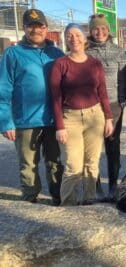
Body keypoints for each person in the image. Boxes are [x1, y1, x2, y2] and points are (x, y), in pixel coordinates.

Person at [0, 9, 64, 205]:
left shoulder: (56, 53)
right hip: (25, 121)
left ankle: (58, 197)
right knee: (28, 164)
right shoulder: (13, 54)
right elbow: (3, 89)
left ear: (46, 28)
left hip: (53, 120)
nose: (36, 30)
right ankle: (30, 199)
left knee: (55, 163)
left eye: (40, 26)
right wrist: (5, 122)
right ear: (25, 29)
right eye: (31, 26)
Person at [49, 23, 114, 205]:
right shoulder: (60, 64)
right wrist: (60, 126)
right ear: (65, 39)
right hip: (70, 118)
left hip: (95, 116)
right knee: (72, 166)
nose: (74, 39)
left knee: (92, 164)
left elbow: (102, 93)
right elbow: (55, 97)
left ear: (85, 39)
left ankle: (89, 201)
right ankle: (68, 205)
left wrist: (108, 118)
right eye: (69, 35)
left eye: (77, 35)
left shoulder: (95, 64)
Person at [86, 13, 126, 201]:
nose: (99, 32)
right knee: (93, 147)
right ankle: (94, 186)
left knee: (113, 146)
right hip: (92, 106)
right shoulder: (86, 52)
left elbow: (124, 78)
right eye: (96, 28)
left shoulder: (118, 51)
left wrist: (122, 101)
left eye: (103, 28)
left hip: (114, 105)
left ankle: (112, 185)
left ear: (108, 31)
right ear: (91, 31)